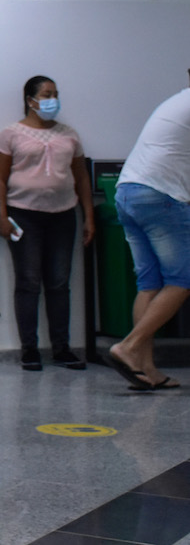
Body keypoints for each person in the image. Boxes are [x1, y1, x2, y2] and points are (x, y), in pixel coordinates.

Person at [0, 75, 93, 371]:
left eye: (55, 93)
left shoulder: (69, 135)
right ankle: (29, 350)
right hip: (24, 215)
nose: (53, 99)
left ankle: (61, 348)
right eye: (47, 94)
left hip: (63, 215)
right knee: (28, 282)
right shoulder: (10, 135)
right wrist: (1, 216)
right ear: (30, 100)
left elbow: (82, 177)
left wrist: (88, 215)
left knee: (60, 283)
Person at [105, 85, 190, 391]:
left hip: (128, 191)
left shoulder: (177, 100)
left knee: (150, 283)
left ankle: (145, 368)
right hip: (160, 195)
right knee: (183, 279)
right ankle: (129, 347)